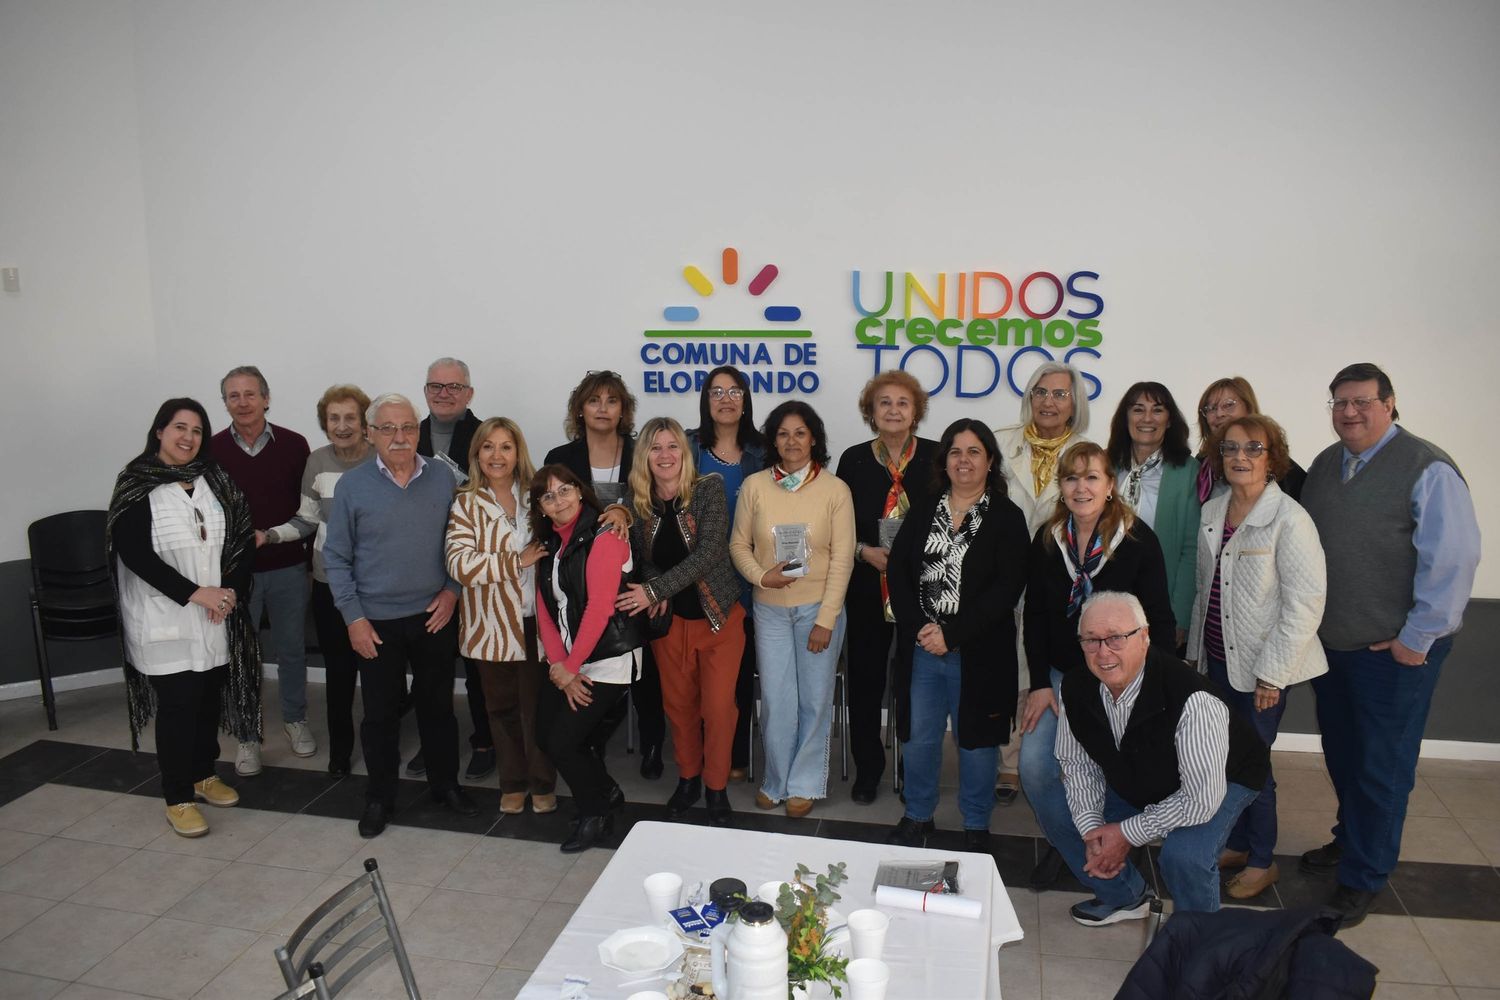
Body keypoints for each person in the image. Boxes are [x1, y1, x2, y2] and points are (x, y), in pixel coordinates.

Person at [1298, 362, 1481, 927]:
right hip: (1337, 647)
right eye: (1339, 403)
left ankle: (1364, 876)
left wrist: (1415, 639)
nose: (1349, 412)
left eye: (1362, 402)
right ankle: (1353, 840)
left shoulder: (1426, 467)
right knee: (1345, 755)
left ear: (1389, 403)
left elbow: (1453, 560)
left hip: (1395, 653)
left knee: (1383, 764)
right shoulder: (1328, 465)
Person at [1018, 441, 1176, 888]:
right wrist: (1039, 684)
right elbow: (1034, 615)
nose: (1081, 487)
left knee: (1113, 771)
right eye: (1071, 477)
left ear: (1110, 485)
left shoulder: (1138, 539)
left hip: (1121, 681)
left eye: (1092, 477)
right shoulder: (1049, 540)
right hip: (1060, 678)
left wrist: (1152, 689)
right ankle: (1074, 848)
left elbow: (1159, 620)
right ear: (1061, 486)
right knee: (1035, 768)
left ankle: (1108, 856)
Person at [1055, 592, 1267, 923]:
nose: (1103, 652)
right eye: (1091, 640)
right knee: (1064, 811)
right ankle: (1126, 898)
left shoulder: (1192, 698)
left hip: (1222, 778)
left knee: (1183, 857)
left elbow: (1200, 800)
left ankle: (1196, 938)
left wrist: (1125, 833)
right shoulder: (1075, 686)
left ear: (1144, 637)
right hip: (1144, 771)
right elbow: (1078, 764)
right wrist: (1094, 831)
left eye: (1116, 638)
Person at [1186, 414, 1328, 899]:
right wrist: (1195, 658)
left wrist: (1272, 676)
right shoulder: (1213, 509)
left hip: (1263, 671)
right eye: (1230, 449)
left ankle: (1264, 860)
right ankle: (1242, 843)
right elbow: (1205, 591)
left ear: (1273, 459)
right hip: (1216, 661)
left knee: (1254, 765)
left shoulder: (1290, 518)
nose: (1240, 458)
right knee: (1226, 758)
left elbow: (1305, 604)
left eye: (1253, 449)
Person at [323, 393, 478, 838]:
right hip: (376, 622)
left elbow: (460, 542)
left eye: (408, 427)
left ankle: (445, 787)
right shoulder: (352, 486)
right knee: (379, 716)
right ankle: (379, 798)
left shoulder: (443, 477)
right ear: (371, 434)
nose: (399, 437)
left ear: (419, 430)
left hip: (434, 615)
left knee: (438, 709)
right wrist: (353, 619)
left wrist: (452, 592)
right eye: (388, 428)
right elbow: (336, 557)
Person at [107, 399, 259, 837]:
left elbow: (242, 536)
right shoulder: (136, 483)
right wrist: (197, 594)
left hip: (215, 615)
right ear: (159, 431)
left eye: (196, 430)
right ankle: (177, 796)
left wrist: (229, 590)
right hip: (165, 617)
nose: (187, 437)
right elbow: (135, 554)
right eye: (179, 427)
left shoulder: (215, 478)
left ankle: (203, 773)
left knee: (208, 699)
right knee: (178, 706)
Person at [886, 419, 1029, 850]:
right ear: (943, 461)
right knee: (920, 738)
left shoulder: (1007, 516)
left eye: (973, 452)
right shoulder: (925, 508)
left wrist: (954, 634)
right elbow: (898, 571)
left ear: (990, 461)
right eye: (955, 452)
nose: (963, 460)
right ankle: (918, 814)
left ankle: (976, 823)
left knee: (977, 744)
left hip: (980, 651)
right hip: (923, 648)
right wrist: (922, 629)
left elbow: (1008, 588)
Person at [729, 401, 855, 819]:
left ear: (814, 438)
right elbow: (738, 546)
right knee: (777, 700)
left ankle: (804, 783)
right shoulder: (755, 487)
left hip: (819, 609)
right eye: (783, 434)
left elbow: (842, 559)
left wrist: (826, 619)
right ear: (773, 441)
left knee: (815, 701)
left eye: (800, 433)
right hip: (770, 612)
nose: (792, 441)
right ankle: (775, 780)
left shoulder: (835, 490)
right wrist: (763, 578)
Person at [619, 417, 747, 826]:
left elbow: (709, 551)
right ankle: (689, 779)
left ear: (685, 453)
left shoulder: (707, 488)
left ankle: (715, 786)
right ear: (645, 457)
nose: (665, 455)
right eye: (656, 448)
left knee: (718, 708)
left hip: (718, 619)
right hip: (670, 624)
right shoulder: (637, 500)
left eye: (673, 446)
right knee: (679, 707)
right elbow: (644, 560)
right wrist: (654, 583)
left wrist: (655, 591)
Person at [543, 370, 666, 778]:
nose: (602, 408)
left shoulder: (640, 452)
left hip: (635, 576)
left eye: (611, 401)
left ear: (623, 410)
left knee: (644, 670)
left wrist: (626, 511)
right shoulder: (561, 457)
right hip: (582, 582)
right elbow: (555, 517)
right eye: (594, 400)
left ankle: (652, 744)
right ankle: (590, 740)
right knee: (594, 662)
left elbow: (656, 511)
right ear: (580, 408)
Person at [835, 370, 940, 804]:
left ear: (915, 412)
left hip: (922, 591)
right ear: (870, 412)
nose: (893, 410)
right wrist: (863, 551)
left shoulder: (937, 458)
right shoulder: (853, 460)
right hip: (865, 588)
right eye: (884, 403)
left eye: (902, 402)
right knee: (864, 681)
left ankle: (908, 764)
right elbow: (837, 528)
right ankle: (868, 767)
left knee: (915, 683)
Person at [531, 464, 646, 852]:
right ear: (541, 507)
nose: (559, 500)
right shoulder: (547, 547)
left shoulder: (606, 534)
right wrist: (558, 665)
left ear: (580, 492)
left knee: (565, 742)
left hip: (610, 657)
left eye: (565, 490)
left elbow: (599, 607)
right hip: (569, 660)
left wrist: (571, 667)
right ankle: (605, 792)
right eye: (548, 495)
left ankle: (595, 814)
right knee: (546, 735)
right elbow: (545, 611)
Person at [260, 384, 374, 777]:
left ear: (364, 422)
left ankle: (379, 752)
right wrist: (271, 535)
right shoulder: (317, 462)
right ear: (325, 424)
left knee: (379, 680)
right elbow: (306, 519)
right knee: (340, 676)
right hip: (330, 586)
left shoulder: (382, 460)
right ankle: (341, 752)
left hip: (377, 588)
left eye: (350, 418)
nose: (342, 426)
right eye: (334, 418)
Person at [991, 361, 1093, 803]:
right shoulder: (998, 443)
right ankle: (1007, 760)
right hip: (1001, 578)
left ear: (1075, 404)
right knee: (1003, 670)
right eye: (1041, 392)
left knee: (1042, 668)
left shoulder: (1087, 452)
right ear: (1029, 397)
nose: (1049, 402)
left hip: (1057, 582)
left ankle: (1046, 759)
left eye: (1059, 394)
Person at [446, 418, 556, 815]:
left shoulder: (537, 495)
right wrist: (516, 561)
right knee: (502, 708)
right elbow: (459, 563)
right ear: (477, 454)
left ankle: (543, 783)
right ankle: (512, 782)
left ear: (517, 452)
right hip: (490, 626)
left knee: (537, 708)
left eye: (506, 447)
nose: (497, 455)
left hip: (537, 623)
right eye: (488, 447)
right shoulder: (465, 502)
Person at [210, 365, 313, 776]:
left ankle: (295, 720)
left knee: (291, 650)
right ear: (226, 404)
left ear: (266, 398)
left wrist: (272, 536)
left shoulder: (294, 444)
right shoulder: (212, 449)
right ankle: (248, 736)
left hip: (288, 566)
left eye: (250, 394)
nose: (243, 402)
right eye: (233, 396)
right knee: (242, 656)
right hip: (236, 575)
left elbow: (307, 510)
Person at [686, 365, 766, 781]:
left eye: (735, 391)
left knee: (736, 674)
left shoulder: (763, 452)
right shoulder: (686, 447)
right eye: (716, 391)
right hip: (694, 578)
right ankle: (695, 753)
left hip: (750, 580)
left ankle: (733, 756)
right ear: (705, 400)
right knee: (696, 677)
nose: (726, 399)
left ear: (746, 400)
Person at [416, 357, 491, 781]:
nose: (444, 393)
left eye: (454, 387)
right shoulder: (410, 433)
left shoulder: (485, 435)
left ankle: (484, 740)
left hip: (476, 569)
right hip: (425, 568)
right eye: (435, 386)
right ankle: (434, 743)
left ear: (469, 393)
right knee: (434, 666)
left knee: (479, 666)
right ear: (425, 391)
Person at [1105, 382, 1201, 647]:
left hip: (1160, 605)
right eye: (1138, 409)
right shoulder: (1105, 466)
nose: (1147, 418)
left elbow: (1191, 550)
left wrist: (1179, 616)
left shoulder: (1189, 472)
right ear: (1125, 418)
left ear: (1169, 420)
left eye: (1157, 410)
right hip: (1106, 601)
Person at [1194, 376, 1306, 502]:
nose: (1219, 414)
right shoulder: (1201, 465)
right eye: (1211, 408)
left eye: (1229, 405)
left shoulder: (1281, 468)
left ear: (1248, 408)